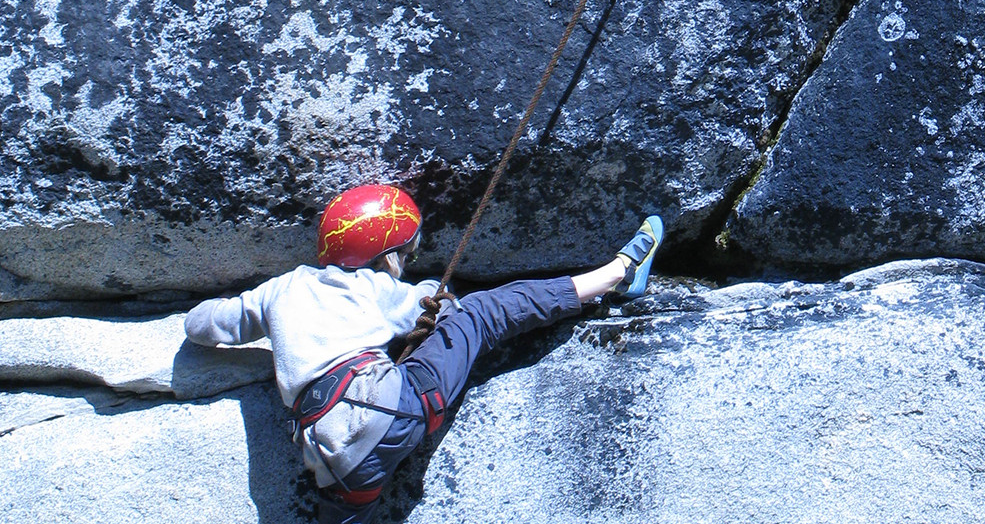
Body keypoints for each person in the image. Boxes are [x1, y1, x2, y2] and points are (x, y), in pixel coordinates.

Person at [183, 184, 663, 523]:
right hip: (386, 413)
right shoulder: (372, 286)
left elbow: (202, 325)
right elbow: (440, 303)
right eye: (403, 254)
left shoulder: (277, 292)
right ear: (384, 253)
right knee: (482, 313)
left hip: (333, 463)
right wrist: (438, 294)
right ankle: (619, 272)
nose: (404, 264)